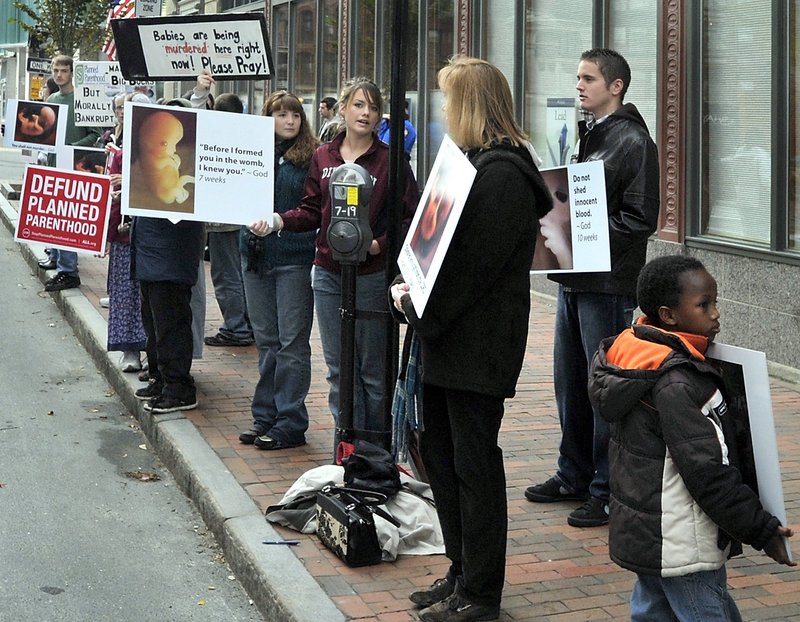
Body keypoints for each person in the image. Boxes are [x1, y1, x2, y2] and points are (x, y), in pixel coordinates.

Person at [390, 56, 553, 622]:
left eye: (447, 101)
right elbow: (441, 254)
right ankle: (461, 573)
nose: (441, 112)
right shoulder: (475, 164)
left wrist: (416, 304)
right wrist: (411, 278)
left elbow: (471, 268)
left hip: (477, 345)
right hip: (451, 340)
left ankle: (481, 592)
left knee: (473, 465)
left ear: (470, 106)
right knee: (441, 456)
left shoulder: (503, 175)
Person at [587, 255, 796, 621]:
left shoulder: (631, 353)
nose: (715, 314)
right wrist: (761, 530)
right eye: (704, 305)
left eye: (715, 303)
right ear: (668, 316)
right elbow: (708, 472)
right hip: (683, 540)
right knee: (705, 611)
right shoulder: (678, 381)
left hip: (649, 532)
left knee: (653, 609)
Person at [525, 48, 660, 528]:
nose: (579, 85)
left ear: (616, 86)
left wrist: (587, 240)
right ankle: (573, 473)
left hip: (608, 285)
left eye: (588, 78)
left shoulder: (632, 141)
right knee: (572, 384)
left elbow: (641, 219)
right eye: (577, 76)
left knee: (605, 390)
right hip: (577, 280)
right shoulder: (594, 136)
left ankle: (605, 490)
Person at [250, 77, 418, 447]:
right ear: (342, 109)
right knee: (339, 368)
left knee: (372, 370)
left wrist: (380, 244)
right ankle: (345, 446)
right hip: (327, 273)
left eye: (373, 107)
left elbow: (410, 218)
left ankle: (376, 448)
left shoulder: (392, 161)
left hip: (372, 276)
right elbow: (311, 210)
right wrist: (279, 221)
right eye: (358, 105)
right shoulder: (323, 155)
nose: (366, 113)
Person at [238, 90, 318, 450]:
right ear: (266, 117)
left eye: (295, 115)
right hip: (255, 255)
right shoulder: (251, 152)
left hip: (293, 258)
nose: (289, 121)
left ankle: (290, 420)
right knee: (267, 340)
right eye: (281, 114)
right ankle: (264, 415)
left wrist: (278, 222)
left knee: (292, 343)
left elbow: (312, 208)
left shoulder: (311, 157)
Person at [131, 99, 205, 414]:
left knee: (171, 321)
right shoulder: (150, 164)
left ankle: (178, 387)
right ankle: (161, 378)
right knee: (154, 320)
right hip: (151, 252)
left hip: (169, 257)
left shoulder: (189, 163)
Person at [190, 70, 254, 348]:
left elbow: (197, 119)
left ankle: (237, 327)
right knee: (239, 272)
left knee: (226, 274)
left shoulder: (220, 133)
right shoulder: (247, 134)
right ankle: (245, 324)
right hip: (241, 219)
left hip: (222, 221)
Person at [39, 54, 103, 292]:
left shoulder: (82, 99)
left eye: (63, 71)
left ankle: (69, 270)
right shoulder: (53, 98)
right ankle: (56, 256)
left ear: (71, 72)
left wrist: (71, 149)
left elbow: (95, 133)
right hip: (54, 164)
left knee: (67, 218)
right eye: (55, 70)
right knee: (55, 215)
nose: (58, 75)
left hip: (75, 166)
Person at [104, 94, 147, 372]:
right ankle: (129, 351)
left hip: (154, 239)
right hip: (125, 235)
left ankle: (151, 351)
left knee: (149, 296)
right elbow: (110, 196)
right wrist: (106, 235)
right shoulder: (119, 155)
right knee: (124, 293)